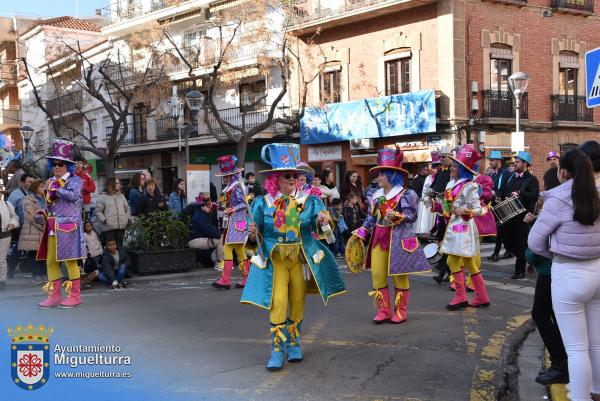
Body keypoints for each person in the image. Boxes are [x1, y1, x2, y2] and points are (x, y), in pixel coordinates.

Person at [241, 143, 345, 371]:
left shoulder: (309, 201)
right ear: (275, 179)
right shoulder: (262, 204)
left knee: (297, 302)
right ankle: (277, 349)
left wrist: (324, 220)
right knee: (278, 302)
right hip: (276, 263)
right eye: (287, 175)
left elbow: (323, 221)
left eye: (295, 176)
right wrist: (251, 234)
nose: (292, 179)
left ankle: (294, 343)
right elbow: (253, 239)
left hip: (298, 261)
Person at [528, 148, 600, 401]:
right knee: (596, 342)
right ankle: (596, 391)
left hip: (569, 273)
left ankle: (579, 398)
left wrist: (555, 254)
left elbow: (535, 242)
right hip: (597, 271)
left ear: (563, 171)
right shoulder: (597, 194)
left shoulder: (557, 199)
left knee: (576, 348)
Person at [351, 145, 429, 324]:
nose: (377, 178)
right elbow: (371, 218)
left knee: (399, 275)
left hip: (399, 238)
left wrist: (399, 215)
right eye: (378, 174)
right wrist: (362, 232)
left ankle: (400, 311)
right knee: (377, 274)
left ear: (391, 175)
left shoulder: (405, 194)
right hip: (379, 237)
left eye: (381, 174)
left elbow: (412, 216)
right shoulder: (376, 195)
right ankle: (384, 310)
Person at [430, 144, 490, 310]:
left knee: (461, 261)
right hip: (453, 228)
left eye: (455, 166)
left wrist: (465, 211)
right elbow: (449, 210)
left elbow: (479, 209)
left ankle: (464, 296)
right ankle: (478, 296)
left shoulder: (469, 186)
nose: (452, 168)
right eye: (453, 165)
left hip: (464, 228)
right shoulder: (451, 185)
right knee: (465, 262)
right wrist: (436, 207)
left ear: (462, 169)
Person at [35, 139, 86, 308]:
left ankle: (75, 296)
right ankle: (55, 296)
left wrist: (56, 189)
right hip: (52, 227)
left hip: (68, 227)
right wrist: (42, 213)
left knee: (70, 262)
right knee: (50, 261)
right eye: (54, 164)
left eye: (61, 164)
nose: (57, 167)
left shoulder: (76, 180)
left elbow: (72, 196)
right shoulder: (50, 181)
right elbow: (49, 204)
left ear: (68, 166)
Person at [499, 151, 540, 279]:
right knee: (507, 240)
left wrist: (520, 193)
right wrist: (500, 197)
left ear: (525, 164)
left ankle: (520, 270)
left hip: (522, 215)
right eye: (515, 161)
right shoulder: (511, 177)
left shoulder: (531, 179)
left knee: (520, 242)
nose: (515, 164)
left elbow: (534, 196)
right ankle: (528, 256)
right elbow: (505, 191)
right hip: (509, 214)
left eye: (517, 162)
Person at [212, 155, 250, 290]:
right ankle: (247, 277)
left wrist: (233, 208)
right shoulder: (230, 188)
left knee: (228, 247)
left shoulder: (237, 187)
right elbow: (226, 204)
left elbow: (244, 204)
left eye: (228, 176)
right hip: (234, 221)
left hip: (237, 220)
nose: (226, 178)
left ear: (234, 176)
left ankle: (226, 279)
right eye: (225, 176)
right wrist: (215, 205)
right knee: (239, 249)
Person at [430, 147, 453, 284]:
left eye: (444, 157)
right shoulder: (440, 172)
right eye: (441, 157)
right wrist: (432, 192)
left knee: (447, 243)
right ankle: (444, 272)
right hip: (440, 212)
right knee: (442, 243)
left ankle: (450, 274)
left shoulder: (453, 172)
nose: (442, 159)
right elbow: (434, 186)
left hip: (449, 212)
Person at [18, 179, 46, 284]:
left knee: (44, 253)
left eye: (44, 186)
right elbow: (30, 216)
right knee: (33, 254)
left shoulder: (45, 199)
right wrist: (42, 226)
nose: (44, 188)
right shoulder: (28, 199)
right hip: (33, 230)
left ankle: (43, 273)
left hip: (44, 229)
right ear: (35, 188)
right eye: (41, 186)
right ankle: (35, 275)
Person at [6, 173, 33, 278]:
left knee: (32, 249)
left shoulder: (33, 193)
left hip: (33, 225)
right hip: (20, 226)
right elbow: (9, 210)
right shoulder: (15, 194)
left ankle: (31, 270)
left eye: (32, 182)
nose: (32, 184)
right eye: (29, 182)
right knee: (18, 247)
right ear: (22, 183)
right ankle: (11, 269)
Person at [94, 178, 131, 249]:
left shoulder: (121, 196)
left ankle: (120, 260)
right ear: (111, 184)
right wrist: (104, 220)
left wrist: (127, 218)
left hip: (121, 227)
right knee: (111, 249)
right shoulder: (102, 197)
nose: (119, 185)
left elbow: (127, 209)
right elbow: (98, 211)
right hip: (109, 228)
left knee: (120, 248)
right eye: (117, 183)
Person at [487, 150, 510, 262]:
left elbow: (506, 188)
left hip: (502, 204)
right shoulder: (492, 174)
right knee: (502, 230)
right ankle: (509, 251)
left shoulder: (505, 173)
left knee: (501, 229)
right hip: (494, 203)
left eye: (491, 160)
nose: (490, 162)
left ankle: (496, 253)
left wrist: (500, 195)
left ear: (498, 161)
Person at [188, 196, 224, 267]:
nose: (210, 207)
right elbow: (208, 231)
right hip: (195, 240)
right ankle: (221, 262)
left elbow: (208, 230)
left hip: (196, 239)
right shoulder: (201, 216)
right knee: (221, 239)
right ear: (202, 207)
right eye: (208, 205)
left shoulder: (200, 214)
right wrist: (219, 235)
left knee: (220, 237)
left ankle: (220, 262)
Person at [0, 185, 19, 291]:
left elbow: (15, 217)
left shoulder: (7, 204)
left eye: (1, 192)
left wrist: (12, 224)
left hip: (4, 235)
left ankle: (2, 281)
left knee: (1, 259)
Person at [73, 155, 96, 219]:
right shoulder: (70, 175)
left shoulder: (87, 175)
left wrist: (83, 188)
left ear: (83, 164)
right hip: (73, 205)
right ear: (73, 163)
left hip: (86, 203)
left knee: (87, 223)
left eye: (80, 163)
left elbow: (93, 188)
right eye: (77, 162)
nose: (79, 165)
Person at [81, 220, 102, 285]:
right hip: (92, 254)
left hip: (99, 252)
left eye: (90, 226)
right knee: (94, 267)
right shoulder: (84, 235)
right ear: (84, 228)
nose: (90, 227)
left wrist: (101, 250)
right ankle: (86, 280)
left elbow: (98, 242)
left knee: (99, 266)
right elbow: (85, 246)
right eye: (87, 226)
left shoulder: (94, 233)